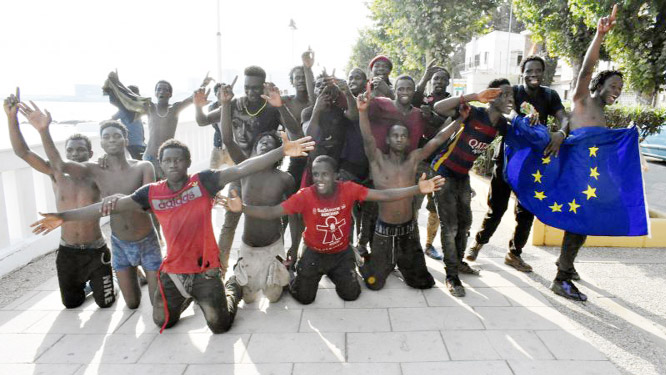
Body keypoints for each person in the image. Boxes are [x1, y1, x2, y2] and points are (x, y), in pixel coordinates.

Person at [31, 133, 314, 333]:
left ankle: (232, 289)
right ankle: (187, 298)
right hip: (175, 273)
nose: (173, 164)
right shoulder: (151, 193)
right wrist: (62, 217)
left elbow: (241, 168)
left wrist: (281, 152)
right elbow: (108, 208)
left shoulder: (203, 182)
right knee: (162, 322)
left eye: (178, 159)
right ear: (161, 164)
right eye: (167, 160)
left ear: (188, 162)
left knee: (220, 326)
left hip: (206, 272)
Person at [223, 155, 444, 304]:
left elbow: (384, 195)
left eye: (325, 174)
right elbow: (272, 212)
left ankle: (349, 266)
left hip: (340, 253)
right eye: (316, 174)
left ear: (336, 175)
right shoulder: (305, 195)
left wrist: (417, 189)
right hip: (313, 253)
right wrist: (241, 208)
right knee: (305, 299)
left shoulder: (348, 189)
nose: (319, 179)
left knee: (351, 295)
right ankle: (294, 271)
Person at [21, 102, 160, 309]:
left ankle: (165, 284)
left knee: (159, 306)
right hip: (120, 243)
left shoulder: (143, 166)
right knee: (131, 304)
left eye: (116, 135)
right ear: (101, 144)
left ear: (126, 139)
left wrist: (120, 197)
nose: (112, 139)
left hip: (146, 240)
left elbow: (148, 204)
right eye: (106, 136)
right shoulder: (95, 170)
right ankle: (123, 278)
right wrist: (43, 131)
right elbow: (59, 165)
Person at [5, 89, 115, 309]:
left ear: (90, 154)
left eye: (81, 151)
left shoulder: (97, 174)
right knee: (72, 304)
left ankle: (100, 281)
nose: (75, 154)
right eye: (71, 151)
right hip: (68, 251)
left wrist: (109, 158)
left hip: (96, 249)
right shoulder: (55, 174)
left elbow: (123, 172)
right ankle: (86, 286)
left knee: (107, 303)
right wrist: (11, 119)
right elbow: (22, 152)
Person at [194, 66, 301, 278]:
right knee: (230, 220)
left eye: (255, 88)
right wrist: (200, 106)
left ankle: (280, 262)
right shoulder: (234, 104)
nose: (250, 92)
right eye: (246, 87)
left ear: (263, 86)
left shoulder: (270, 108)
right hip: (240, 168)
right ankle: (220, 268)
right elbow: (203, 121)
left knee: (274, 216)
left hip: (269, 172)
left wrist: (279, 107)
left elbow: (296, 132)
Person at [466, 55, 569, 273]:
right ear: (522, 72)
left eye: (538, 70)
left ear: (543, 73)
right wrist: (520, 118)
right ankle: (478, 244)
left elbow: (564, 117)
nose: (533, 74)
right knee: (497, 208)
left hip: (533, 164)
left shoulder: (549, 95)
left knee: (526, 211)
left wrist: (561, 133)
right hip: (508, 160)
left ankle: (514, 254)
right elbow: (504, 109)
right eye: (529, 70)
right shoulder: (514, 90)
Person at [356, 83, 461, 290]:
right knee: (373, 283)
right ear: (387, 139)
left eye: (403, 136)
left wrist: (461, 120)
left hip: (409, 231)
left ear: (408, 140)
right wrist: (362, 112)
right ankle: (367, 260)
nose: (399, 139)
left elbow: (438, 139)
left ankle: (402, 263)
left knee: (423, 283)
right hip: (383, 231)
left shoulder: (413, 158)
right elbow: (368, 138)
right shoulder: (377, 159)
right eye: (395, 135)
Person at [549, 5, 621, 301]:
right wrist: (600, 35)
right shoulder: (582, 100)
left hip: (590, 179)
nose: (617, 90)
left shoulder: (603, 114)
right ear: (598, 85)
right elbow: (586, 69)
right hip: (576, 177)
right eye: (613, 85)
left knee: (583, 226)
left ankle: (565, 265)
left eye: (620, 87)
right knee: (578, 225)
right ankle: (561, 278)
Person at [431, 79, 514, 297]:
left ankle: (458, 262)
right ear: (493, 95)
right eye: (504, 94)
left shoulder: (501, 125)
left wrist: (531, 121)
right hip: (444, 171)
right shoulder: (474, 113)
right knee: (450, 227)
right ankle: (451, 275)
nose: (510, 99)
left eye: (511, 95)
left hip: (462, 176)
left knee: (465, 222)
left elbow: (521, 135)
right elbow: (438, 108)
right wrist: (475, 95)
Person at [218, 79, 297, 303]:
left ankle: (284, 270)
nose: (265, 145)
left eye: (271, 144)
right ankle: (233, 273)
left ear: (278, 153)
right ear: (253, 150)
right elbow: (227, 139)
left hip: (274, 247)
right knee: (249, 299)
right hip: (248, 247)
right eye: (261, 143)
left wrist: (295, 248)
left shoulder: (285, 179)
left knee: (273, 297)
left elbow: (294, 215)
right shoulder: (245, 170)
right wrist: (225, 104)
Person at [107, 71, 212, 179]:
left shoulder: (175, 109)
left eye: (165, 89)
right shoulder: (150, 107)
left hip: (167, 159)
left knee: (167, 190)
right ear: (155, 93)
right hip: (149, 157)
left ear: (170, 94)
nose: (161, 91)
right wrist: (116, 82)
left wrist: (204, 84)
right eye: (159, 89)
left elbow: (192, 98)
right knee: (149, 190)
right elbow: (132, 97)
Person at [414, 66, 452, 261]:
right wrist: (425, 74)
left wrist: (432, 117)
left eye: (442, 79)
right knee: (414, 203)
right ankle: (411, 244)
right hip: (421, 160)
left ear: (448, 82)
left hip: (441, 161)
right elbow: (413, 97)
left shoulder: (452, 103)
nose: (438, 82)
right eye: (435, 79)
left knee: (435, 207)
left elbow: (451, 125)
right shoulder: (424, 100)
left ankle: (429, 245)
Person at [108, 84, 146, 159]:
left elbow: (139, 125)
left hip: (138, 142)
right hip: (132, 142)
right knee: (138, 161)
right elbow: (112, 119)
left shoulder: (135, 109)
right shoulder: (126, 109)